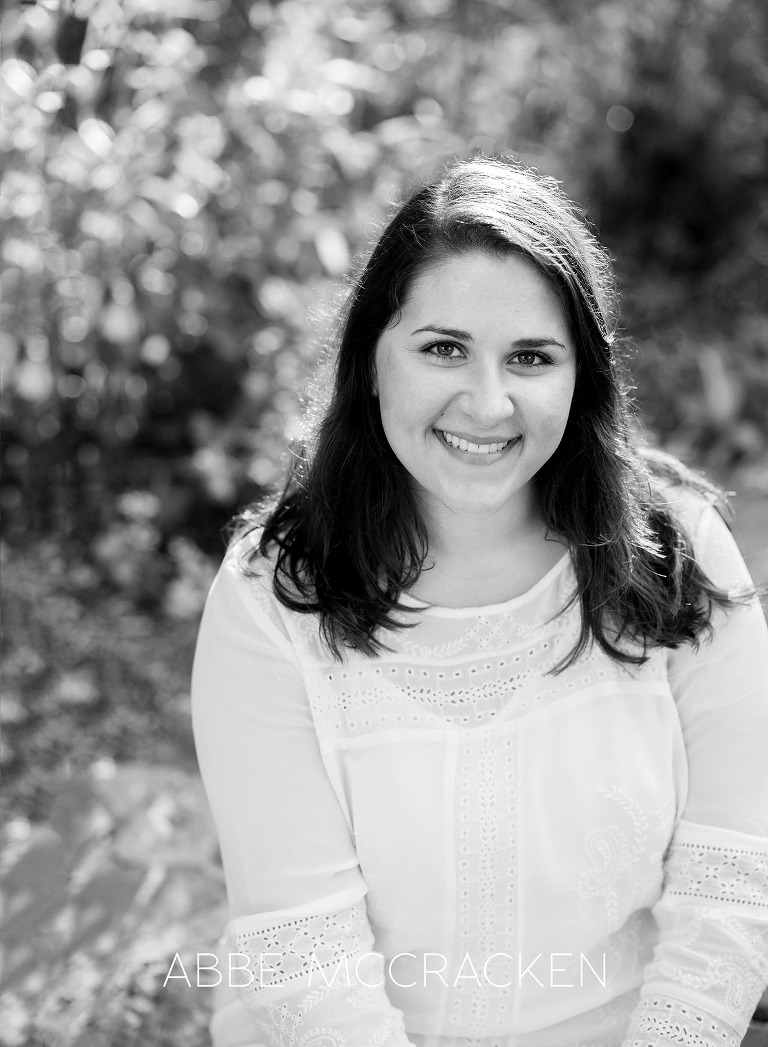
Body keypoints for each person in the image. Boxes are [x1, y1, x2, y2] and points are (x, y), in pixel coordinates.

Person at [191, 157, 768, 1047]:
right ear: (373, 361)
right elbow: (303, 959)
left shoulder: (675, 554)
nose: (489, 402)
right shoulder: (271, 599)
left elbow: (732, 885)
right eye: (443, 347)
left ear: (583, 379)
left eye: (531, 357)